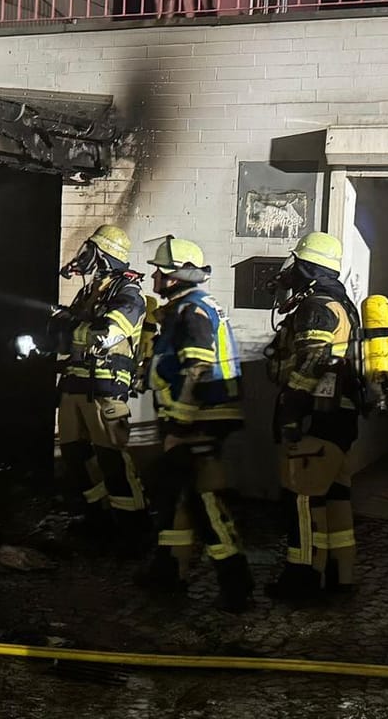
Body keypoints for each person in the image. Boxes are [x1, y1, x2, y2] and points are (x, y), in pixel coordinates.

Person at [137, 236, 254, 613]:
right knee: (173, 496)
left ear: (173, 277)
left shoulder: (192, 311)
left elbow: (198, 364)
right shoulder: (189, 306)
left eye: (159, 270)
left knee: (205, 502)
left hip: (200, 421)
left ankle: (236, 583)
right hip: (192, 419)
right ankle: (167, 568)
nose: (154, 275)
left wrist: (181, 422)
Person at [264, 231, 379, 603]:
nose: (289, 274)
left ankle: (303, 579)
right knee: (335, 501)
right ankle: (340, 576)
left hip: (316, 422)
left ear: (308, 269)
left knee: (301, 500)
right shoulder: (342, 304)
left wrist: (291, 413)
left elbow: (311, 364)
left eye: (295, 266)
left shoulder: (316, 308)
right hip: (340, 423)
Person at [51, 224, 150, 544]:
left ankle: (133, 530)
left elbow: (106, 334)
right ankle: (97, 521)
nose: (84, 256)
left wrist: (70, 325)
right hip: (73, 390)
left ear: (104, 255)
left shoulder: (128, 292)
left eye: (91, 250)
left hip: (106, 392)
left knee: (113, 463)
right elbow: (65, 338)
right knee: (75, 460)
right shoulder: (90, 290)